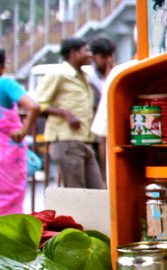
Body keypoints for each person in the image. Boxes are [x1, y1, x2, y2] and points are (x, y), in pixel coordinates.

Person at [33, 37, 104, 189]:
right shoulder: (58, 74)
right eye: (86, 50)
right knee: (75, 190)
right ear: (74, 53)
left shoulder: (84, 76)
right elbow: (37, 104)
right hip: (66, 140)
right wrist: (65, 114)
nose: (90, 54)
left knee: (96, 189)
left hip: (84, 140)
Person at [0, 45, 41, 217]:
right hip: (7, 154)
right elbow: (34, 106)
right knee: (8, 205)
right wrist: (23, 131)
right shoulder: (4, 83)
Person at [87, 35, 116, 175]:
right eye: (103, 56)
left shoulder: (114, 72)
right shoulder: (88, 76)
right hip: (92, 127)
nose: (108, 60)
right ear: (93, 57)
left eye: (110, 56)